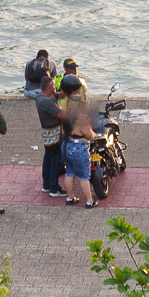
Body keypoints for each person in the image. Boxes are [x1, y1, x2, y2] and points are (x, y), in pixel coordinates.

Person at [57, 76, 97, 207]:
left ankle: (70, 198)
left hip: (66, 145)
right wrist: (93, 133)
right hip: (79, 148)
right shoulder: (82, 119)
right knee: (84, 177)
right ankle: (89, 201)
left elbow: (63, 131)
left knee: (69, 173)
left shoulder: (66, 113)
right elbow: (89, 135)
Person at [35, 83, 66, 195]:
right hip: (54, 135)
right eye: (53, 86)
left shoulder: (43, 97)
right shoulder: (46, 102)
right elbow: (62, 115)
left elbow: (60, 95)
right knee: (55, 160)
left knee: (48, 158)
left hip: (48, 134)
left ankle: (47, 184)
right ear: (48, 88)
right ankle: (54, 188)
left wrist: (67, 88)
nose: (55, 87)